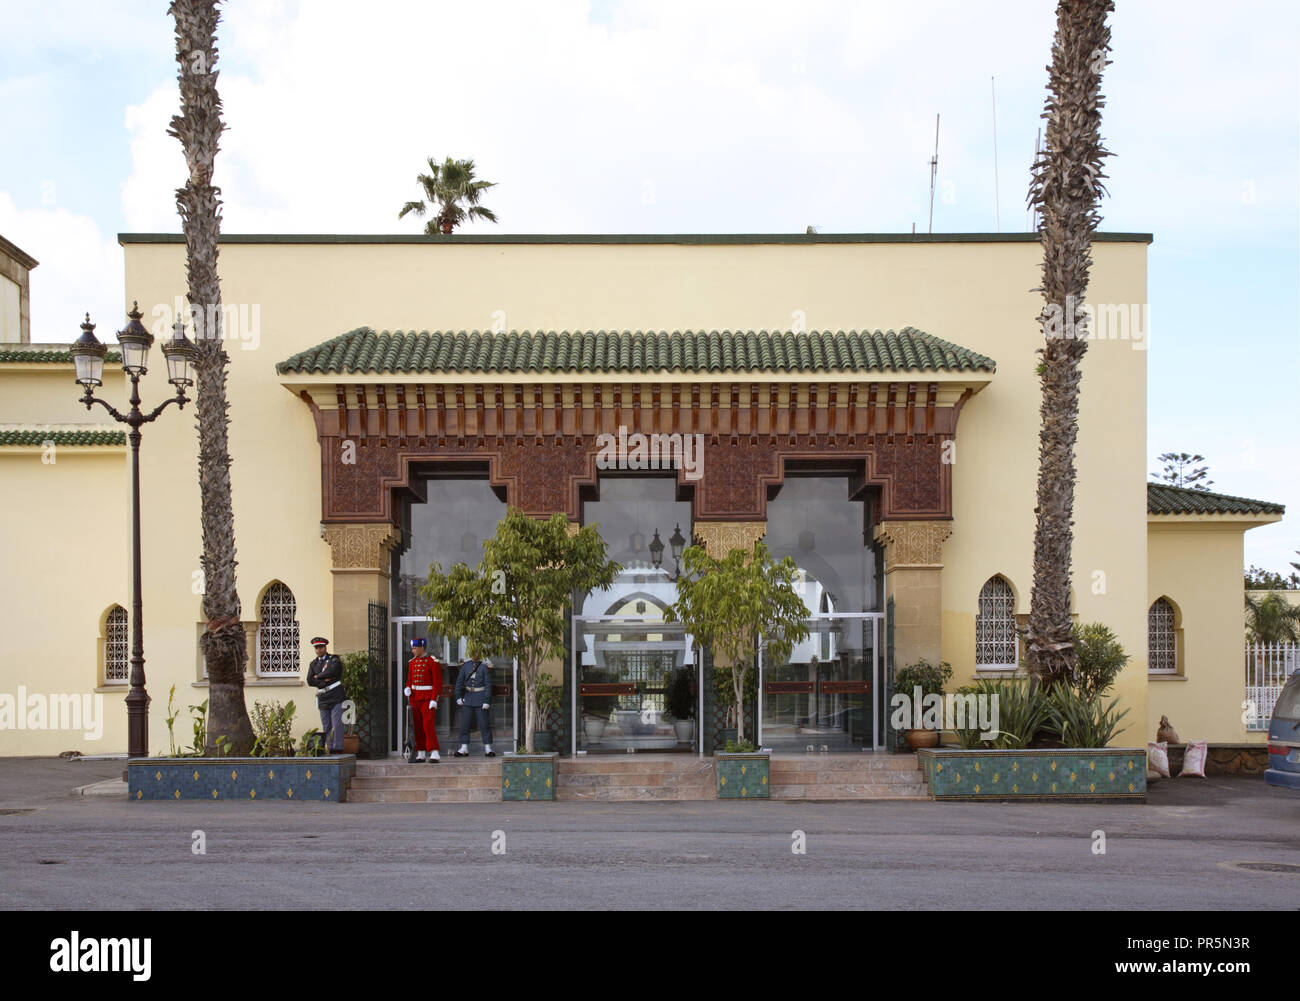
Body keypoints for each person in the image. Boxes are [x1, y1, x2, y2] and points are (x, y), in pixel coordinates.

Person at [403, 637, 442, 763]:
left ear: (421, 648)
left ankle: (434, 751)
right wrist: (407, 688)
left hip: (427, 698)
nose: (412, 650)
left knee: (428, 725)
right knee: (417, 726)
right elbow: (409, 680)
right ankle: (420, 752)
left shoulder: (432, 661)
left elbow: (437, 683)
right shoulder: (412, 663)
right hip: (415, 698)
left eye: (414, 648)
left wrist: (434, 699)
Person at [306, 637, 347, 754]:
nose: (318, 650)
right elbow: (309, 680)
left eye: (320, 647)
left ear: (325, 647)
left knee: (336, 723)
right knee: (326, 724)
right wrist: (324, 681)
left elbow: (333, 671)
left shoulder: (333, 659)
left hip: (335, 695)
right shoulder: (313, 663)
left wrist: (317, 676)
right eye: (316, 648)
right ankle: (330, 747)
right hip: (323, 696)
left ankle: (338, 748)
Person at [453, 647, 494, 757]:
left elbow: (488, 685)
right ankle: (464, 747)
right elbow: (459, 682)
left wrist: (487, 700)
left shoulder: (484, 667)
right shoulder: (465, 666)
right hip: (468, 697)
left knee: (484, 724)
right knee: (465, 724)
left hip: (480, 698)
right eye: (473, 652)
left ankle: (488, 747)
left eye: (476, 652)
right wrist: (458, 696)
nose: (475, 654)